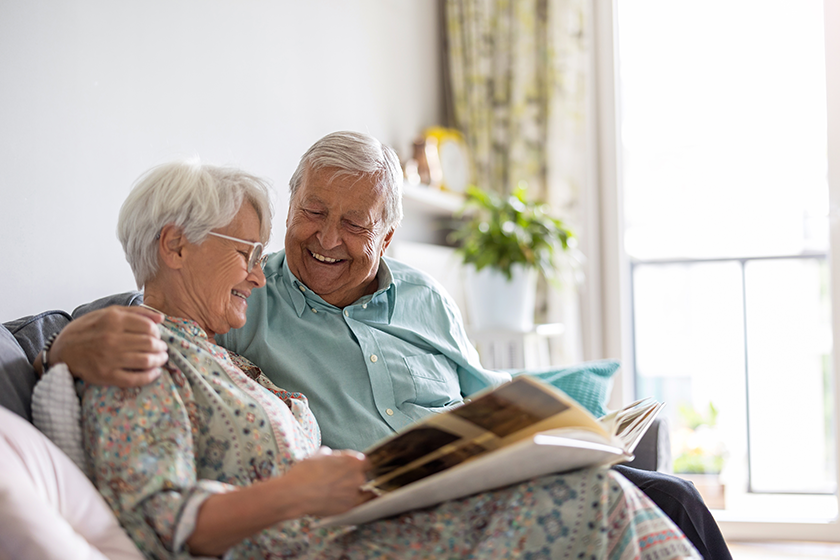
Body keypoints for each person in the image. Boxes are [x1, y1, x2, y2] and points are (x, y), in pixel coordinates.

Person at [45, 132, 730, 559]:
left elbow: (481, 391)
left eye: (353, 222)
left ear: (386, 236)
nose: (323, 239)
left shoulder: (415, 301)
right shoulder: (188, 332)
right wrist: (65, 346)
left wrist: (553, 428)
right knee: (599, 504)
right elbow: (132, 317)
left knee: (663, 495)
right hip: (359, 520)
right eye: (310, 214)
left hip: (442, 487)